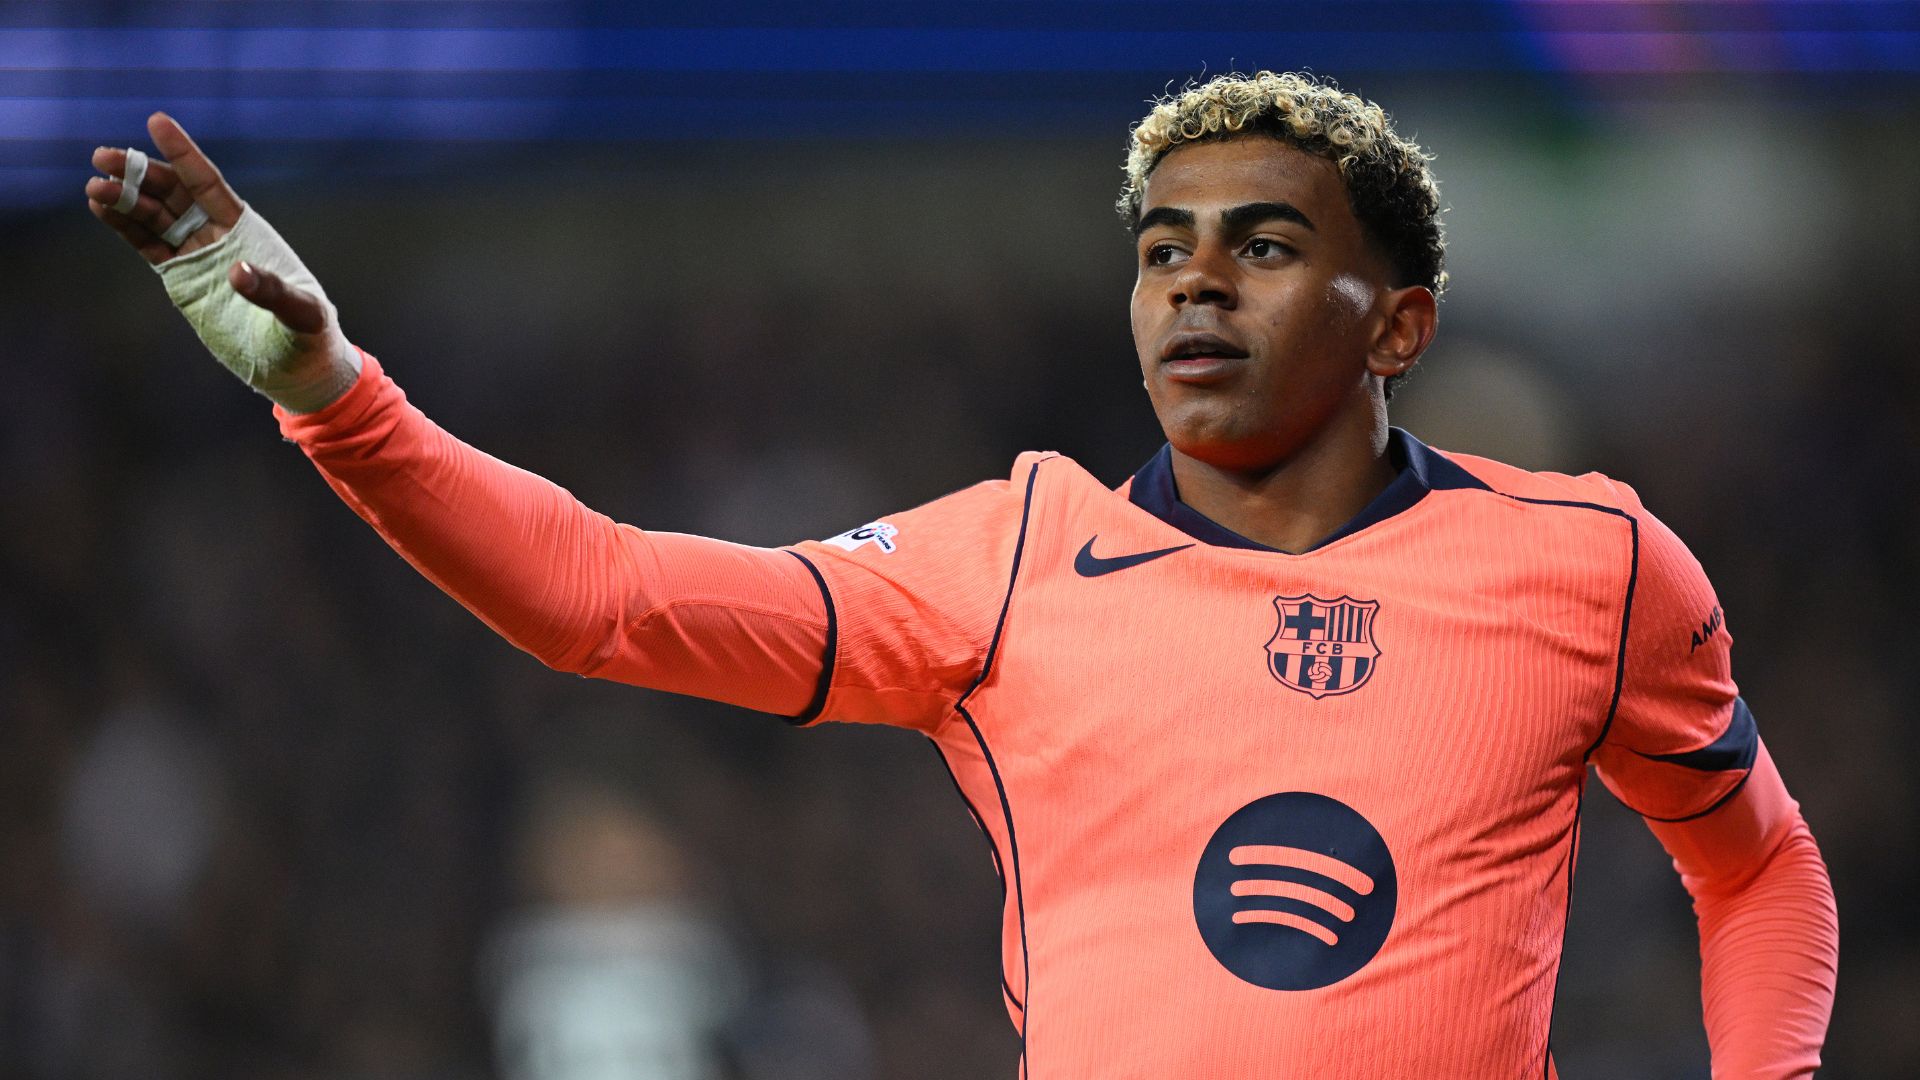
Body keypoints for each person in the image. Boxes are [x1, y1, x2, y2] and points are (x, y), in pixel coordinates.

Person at [88, 71, 1836, 1078]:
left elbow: (1759, 872)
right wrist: (332, 394)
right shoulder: (1008, 560)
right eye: (1163, 252)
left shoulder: (1586, 566)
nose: (1194, 288)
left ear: (1402, 323)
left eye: (1264, 246)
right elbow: (602, 598)